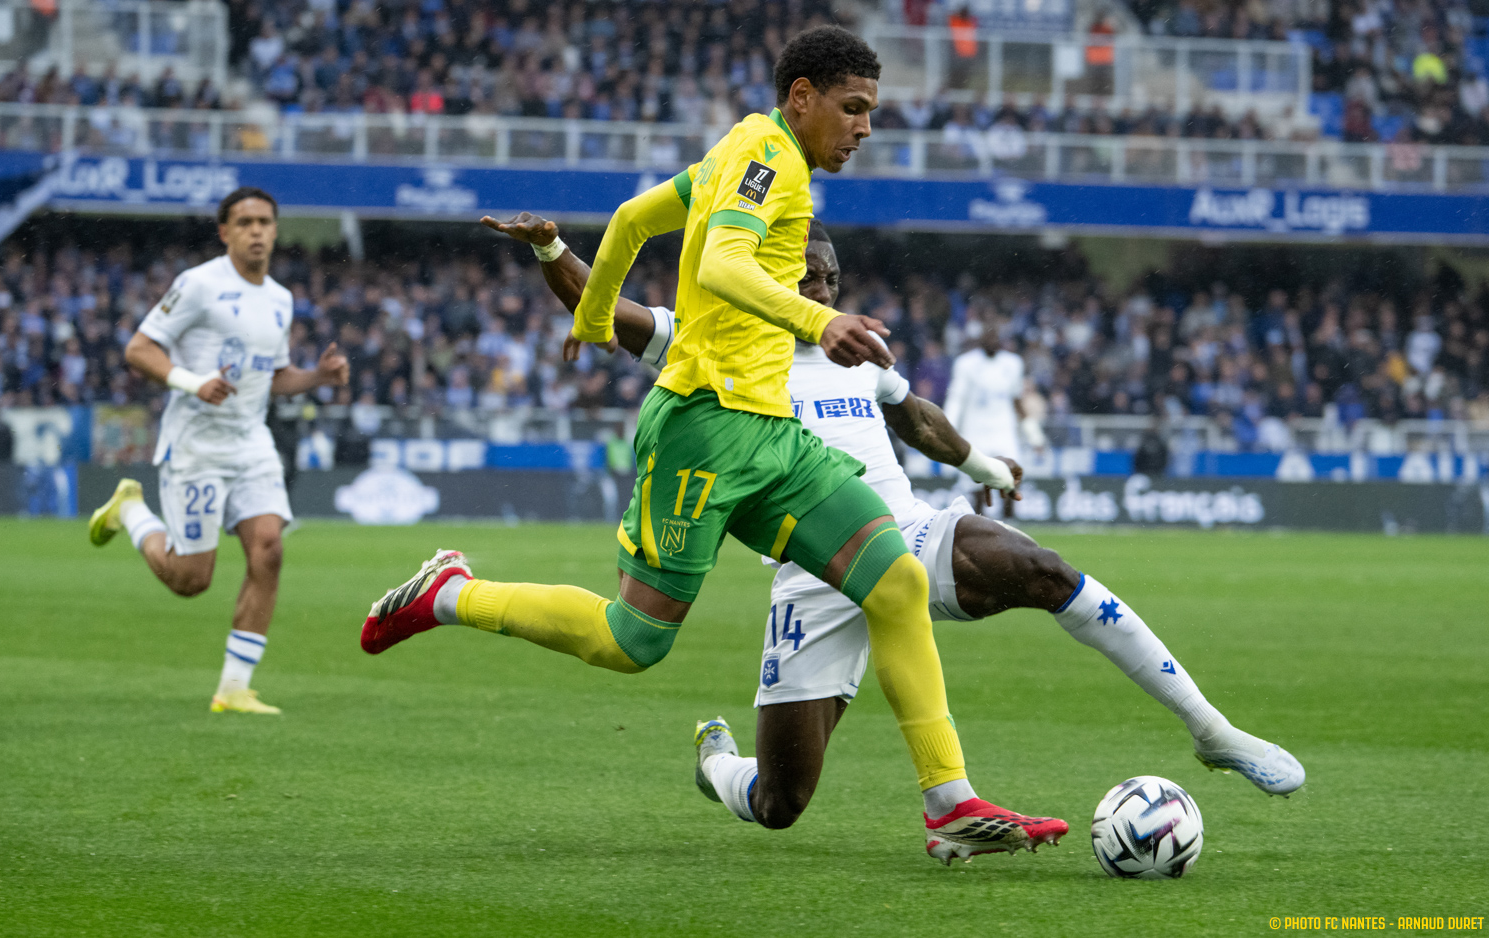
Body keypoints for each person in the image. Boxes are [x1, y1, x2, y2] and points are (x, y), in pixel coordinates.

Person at [359, 26, 1032, 862]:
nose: (864, 128)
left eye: (870, 111)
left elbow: (633, 219)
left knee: (895, 580)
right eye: (853, 108)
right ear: (802, 98)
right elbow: (719, 267)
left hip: (772, 433)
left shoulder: (740, 149)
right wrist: (821, 320)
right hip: (704, 431)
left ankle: (950, 802)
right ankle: (451, 593)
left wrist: (594, 316)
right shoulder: (771, 159)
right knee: (632, 641)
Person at [488, 211, 1306, 863]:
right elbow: (610, 313)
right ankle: (718, 764)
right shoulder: (717, 341)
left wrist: (984, 463)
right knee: (780, 803)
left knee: (1042, 570)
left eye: (830, 278)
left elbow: (914, 416)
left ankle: (1211, 730)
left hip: (902, 531)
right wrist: (553, 249)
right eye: (806, 274)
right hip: (812, 574)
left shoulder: (853, 349)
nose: (821, 287)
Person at [87, 187, 350, 714]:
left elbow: (274, 378)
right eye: (245, 222)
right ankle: (130, 511)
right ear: (225, 232)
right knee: (191, 580)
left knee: (269, 550)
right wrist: (192, 382)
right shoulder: (199, 284)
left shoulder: (280, 299)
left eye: (265, 222)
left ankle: (234, 689)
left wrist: (318, 377)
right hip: (197, 445)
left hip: (251, 441)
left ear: (275, 230)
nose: (256, 231)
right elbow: (138, 349)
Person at [943, 315, 1047, 503]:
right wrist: (947, 432)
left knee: (1012, 482)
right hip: (975, 433)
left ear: (1001, 339)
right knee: (976, 489)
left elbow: (1017, 403)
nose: (992, 340)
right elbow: (956, 401)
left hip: (1003, 432)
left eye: (995, 336)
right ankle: (980, 521)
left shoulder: (1013, 364)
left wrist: (1035, 437)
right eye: (988, 336)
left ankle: (1009, 520)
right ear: (980, 338)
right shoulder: (965, 364)